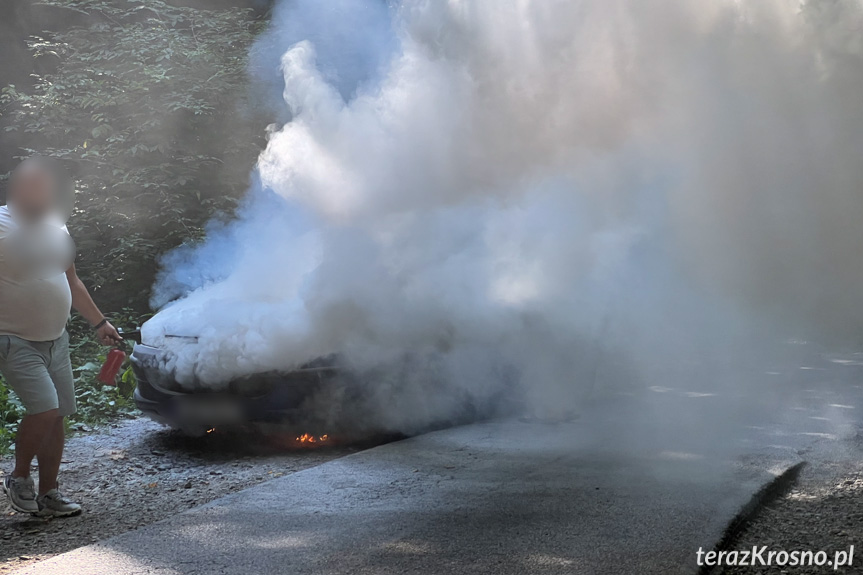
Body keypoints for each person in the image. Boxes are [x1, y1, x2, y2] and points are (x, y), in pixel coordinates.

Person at [0, 157, 122, 517]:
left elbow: (72, 281)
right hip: (13, 338)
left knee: (58, 415)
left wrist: (100, 323)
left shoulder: (57, 225)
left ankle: (49, 493)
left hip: (57, 339)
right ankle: (19, 476)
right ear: (17, 187)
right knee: (46, 408)